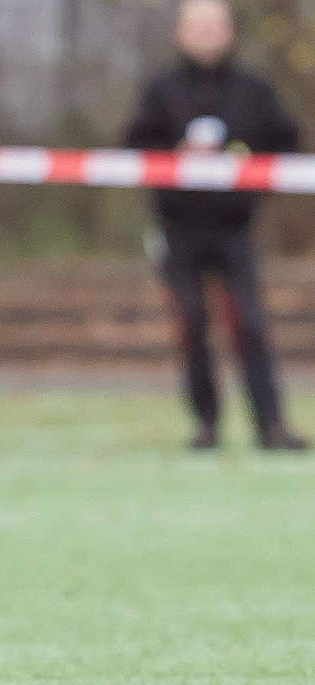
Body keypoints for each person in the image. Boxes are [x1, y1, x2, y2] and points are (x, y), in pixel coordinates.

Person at [125, 0, 307, 451]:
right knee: (189, 323)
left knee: (249, 323)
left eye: (214, 26)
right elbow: (134, 144)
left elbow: (287, 140)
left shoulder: (253, 89)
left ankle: (271, 426)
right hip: (180, 229)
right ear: (180, 33)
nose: (206, 34)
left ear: (229, 33)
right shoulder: (161, 89)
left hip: (234, 228)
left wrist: (245, 166)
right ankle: (205, 425)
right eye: (197, 26)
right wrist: (177, 154)